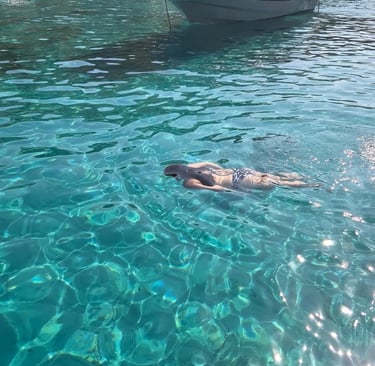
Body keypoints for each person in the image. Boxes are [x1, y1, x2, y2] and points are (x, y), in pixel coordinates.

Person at [164, 161, 313, 192]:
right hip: (239, 171)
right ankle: (307, 176)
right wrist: (223, 171)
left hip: (238, 181)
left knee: (280, 184)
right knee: (274, 177)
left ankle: (314, 185)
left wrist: (238, 192)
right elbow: (211, 163)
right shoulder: (193, 165)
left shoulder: (188, 183)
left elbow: (217, 188)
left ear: (177, 175)